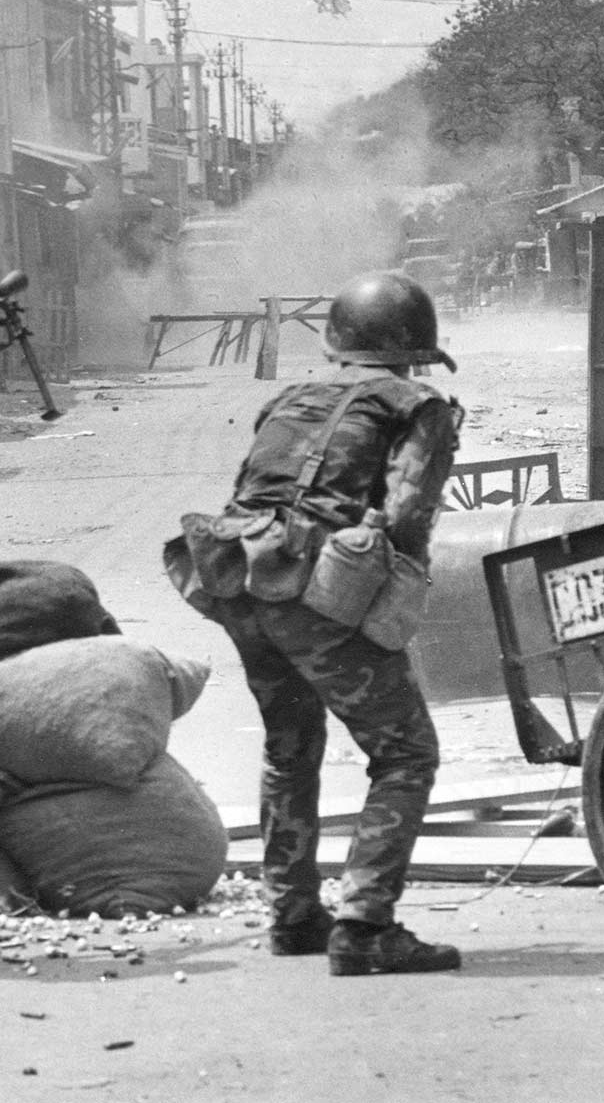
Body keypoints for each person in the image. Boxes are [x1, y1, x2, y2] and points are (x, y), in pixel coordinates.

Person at [170, 270, 463, 976]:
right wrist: (386, 603)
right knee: (405, 753)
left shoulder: (289, 396)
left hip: (240, 576)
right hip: (317, 588)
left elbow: (253, 488)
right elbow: (406, 516)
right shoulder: (419, 405)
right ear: (411, 347)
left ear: (339, 341)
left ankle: (293, 914)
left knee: (290, 742)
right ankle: (364, 926)